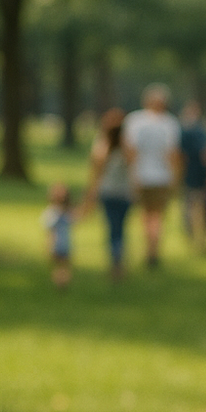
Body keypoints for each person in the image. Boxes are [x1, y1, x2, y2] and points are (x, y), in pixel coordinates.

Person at [123, 83, 183, 268]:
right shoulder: (170, 123)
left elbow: (130, 151)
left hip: (141, 175)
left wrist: (132, 174)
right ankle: (153, 250)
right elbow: (172, 154)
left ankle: (149, 248)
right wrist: (176, 178)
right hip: (162, 177)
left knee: (145, 215)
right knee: (158, 216)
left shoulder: (135, 121)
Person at [81, 107, 134, 281]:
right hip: (120, 194)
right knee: (119, 229)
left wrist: (90, 194)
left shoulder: (105, 146)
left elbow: (96, 171)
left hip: (113, 193)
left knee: (114, 228)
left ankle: (116, 260)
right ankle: (118, 260)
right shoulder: (123, 146)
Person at [179, 100, 206, 254]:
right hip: (202, 176)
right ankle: (203, 239)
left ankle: (195, 239)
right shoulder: (203, 131)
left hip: (190, 177)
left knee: (190, 209)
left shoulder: (183, 131)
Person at [41, 182, 75, 290]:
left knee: (65, 265)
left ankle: (63, 282)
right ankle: (59, 282)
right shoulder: (51, 212)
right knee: (58, 265)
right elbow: (49, 230)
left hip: (66, 243)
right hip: (56, 244)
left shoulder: (67, 212)